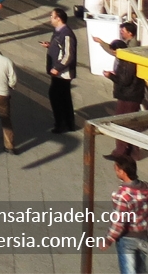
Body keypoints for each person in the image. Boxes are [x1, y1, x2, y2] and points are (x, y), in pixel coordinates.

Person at [98, 23, 141, 162]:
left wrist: (111, 76)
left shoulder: (128, 59)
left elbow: (125, 80)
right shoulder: (126, 56)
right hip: (129, 94)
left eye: (115, 52)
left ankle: (121, 152)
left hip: (129, 95)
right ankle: (129, 150)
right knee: (127, 122)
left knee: (122, 122)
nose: (115, 54)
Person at [103, 158, 148, 273]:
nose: (116, 171)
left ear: (122, 171)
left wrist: (108, 239)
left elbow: (118, 222)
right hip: (144, 236)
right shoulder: (146, 188)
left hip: (127, 238)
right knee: (141, 270)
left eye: (116, 169)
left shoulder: (122, 195)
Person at [42, 7, 79, 133]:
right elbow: (60, 47)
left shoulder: (66, 34)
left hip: (62, 73)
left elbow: (69, 54)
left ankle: (62, 123)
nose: (50, 19)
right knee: (62, 97)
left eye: (52, 16)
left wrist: (57, 68)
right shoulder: (58, 32)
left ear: (58, 18)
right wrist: (50, 45)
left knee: (58, 97)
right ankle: (66, 123)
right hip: (57, 72)